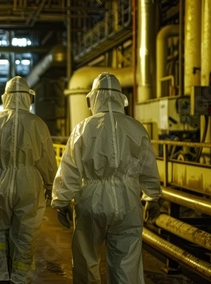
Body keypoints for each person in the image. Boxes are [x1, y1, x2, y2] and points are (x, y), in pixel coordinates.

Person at [51, 72, 162, 284]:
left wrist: (61, 200)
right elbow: (148, 167)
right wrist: (152, 197)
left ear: (93, 98)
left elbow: (70, 169)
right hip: (128, 202)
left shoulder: (82, 129)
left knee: (86, 261)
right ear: (121, 98)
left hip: (91, 201)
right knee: (126, 263)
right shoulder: (136, 128)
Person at [0, 76, 57, 284]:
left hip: (1, 180)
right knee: (25, 234)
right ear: (28, 97)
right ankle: (19, 278)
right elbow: (47, 159)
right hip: (30, 183)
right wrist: (50, 185)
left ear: (5, 97)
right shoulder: (37, 123)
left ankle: (0, 276)